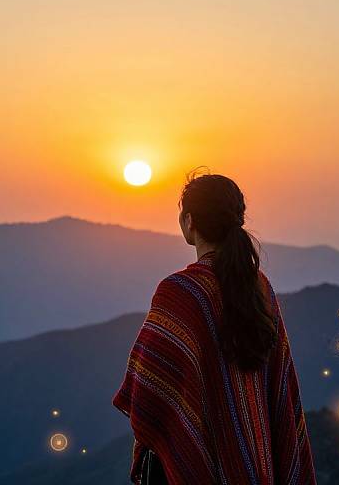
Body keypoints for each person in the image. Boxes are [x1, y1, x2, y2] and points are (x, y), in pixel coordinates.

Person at [112, 168, 317, 484]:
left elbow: (148, 392)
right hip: (258, 462)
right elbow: (280, 387)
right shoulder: (260, 287)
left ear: (190, 221)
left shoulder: (180, 292)